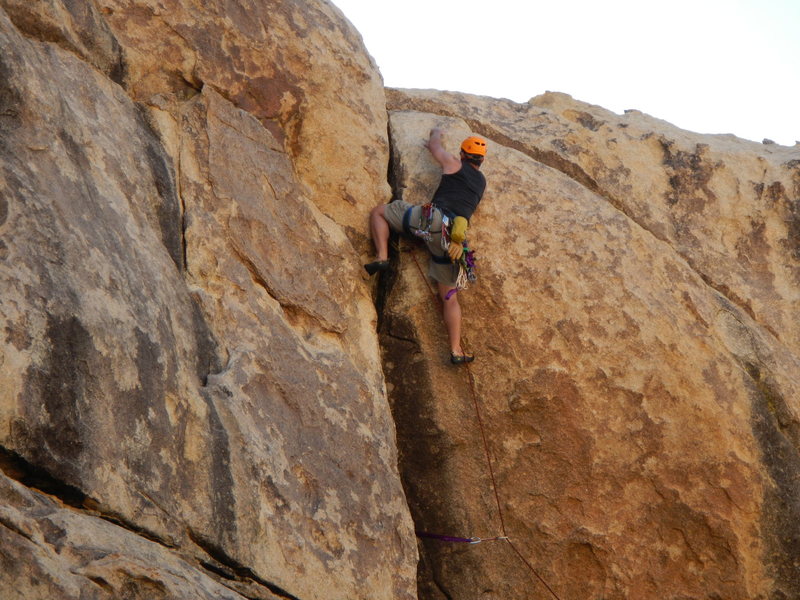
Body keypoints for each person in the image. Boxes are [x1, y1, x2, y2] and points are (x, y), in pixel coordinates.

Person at [365, 128, 487, 364]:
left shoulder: (454, 162)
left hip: (431, 221)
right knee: (450, 297)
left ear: (463, 154)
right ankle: (455, 350)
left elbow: (435, 148)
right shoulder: (481, 182)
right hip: (452, 242)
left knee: (379, 212)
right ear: (481, 160)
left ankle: (382, 256)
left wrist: (436, 134)